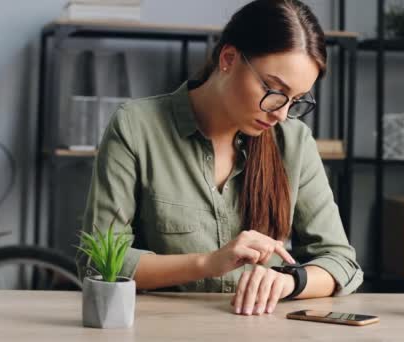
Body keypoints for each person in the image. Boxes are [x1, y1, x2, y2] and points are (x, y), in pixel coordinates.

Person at [77, 0, 363, 316]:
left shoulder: (293, 142)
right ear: (228, 58)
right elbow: (98, 260)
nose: (281, 114)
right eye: (273, 90)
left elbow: (341, 262)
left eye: (295, 100)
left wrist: (289, 282)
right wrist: (207, 263)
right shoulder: (136, 127)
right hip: (160, 328)